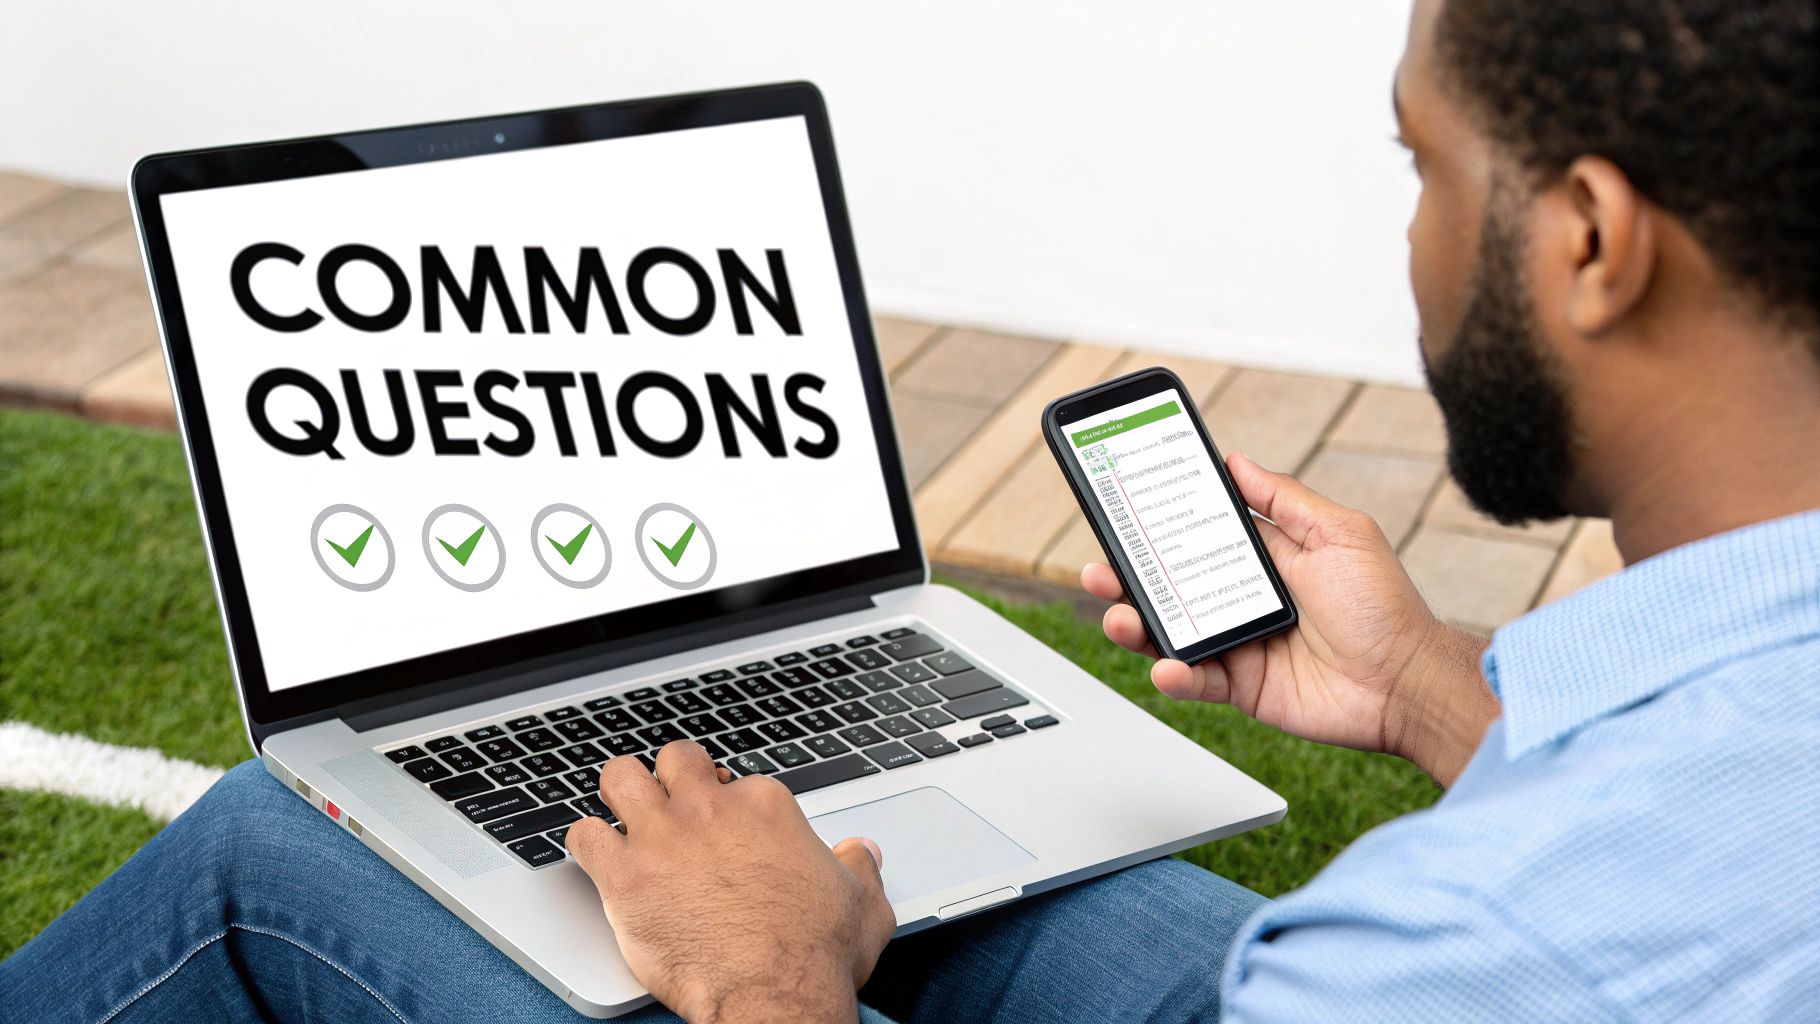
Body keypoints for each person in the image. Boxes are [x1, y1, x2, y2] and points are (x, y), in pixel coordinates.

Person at [6, 0, 1817, 1019]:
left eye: (1425, 165)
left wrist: (772, 980)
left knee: (281, 837)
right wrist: (1431, 693)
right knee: (971, 900)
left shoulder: (1445, 961)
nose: (1411, 228)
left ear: (1588, 238)